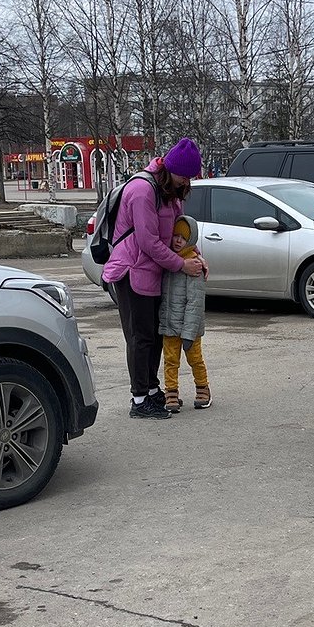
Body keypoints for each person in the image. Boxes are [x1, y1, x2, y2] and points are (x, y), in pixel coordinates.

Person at [102, 138, 207, 420]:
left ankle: (151, 390)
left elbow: (178, 232)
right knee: (140, 338)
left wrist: (194, 254)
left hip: (154, 273)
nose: (186, 182)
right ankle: (139, 400)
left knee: (155, 336)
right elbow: (148, 242)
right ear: (170, 169)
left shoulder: (170, 192)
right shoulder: (141, 190)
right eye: (184, 176)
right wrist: (181, 265)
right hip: (131, 272)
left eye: (189, 178)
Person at [159, 216, 210, 412]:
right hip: (169, 324)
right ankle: (171, 392)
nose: (178, 240)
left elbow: (195, 304)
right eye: (175, 236)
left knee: (195, 358)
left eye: (183, 237)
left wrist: (189, 333)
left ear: (191, 239)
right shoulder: (170, 262)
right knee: (170, 360)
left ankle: (203, 387)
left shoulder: (194, 265)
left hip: (190, 328)